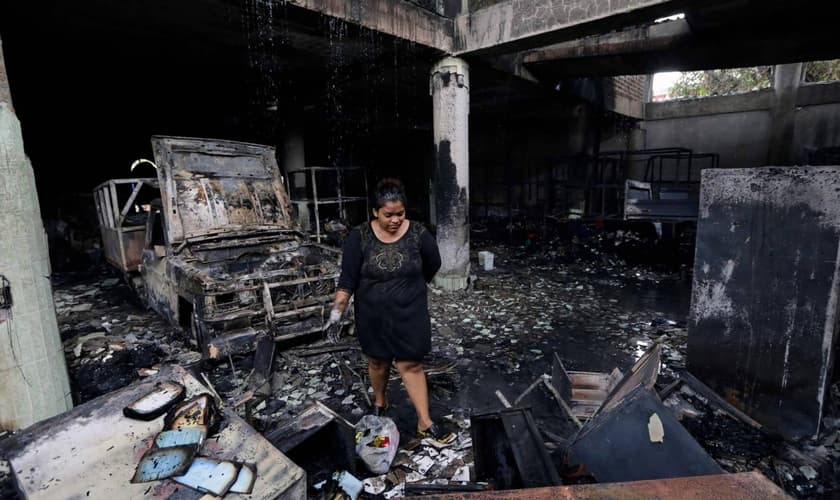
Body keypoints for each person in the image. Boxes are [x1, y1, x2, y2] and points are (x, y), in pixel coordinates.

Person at [327, 178, 455, 444]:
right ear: (375, 211)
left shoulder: (419, 234)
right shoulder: (359, 236)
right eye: (388, 215)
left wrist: (410, 287)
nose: (395, 220)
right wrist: (337, 311)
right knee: (378, 360)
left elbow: (433, 264)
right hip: (372, 314)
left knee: (411, 363)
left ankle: (424, 422)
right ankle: (380, 402)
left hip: (410, 312)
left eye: (400, 214)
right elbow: (348, 278)